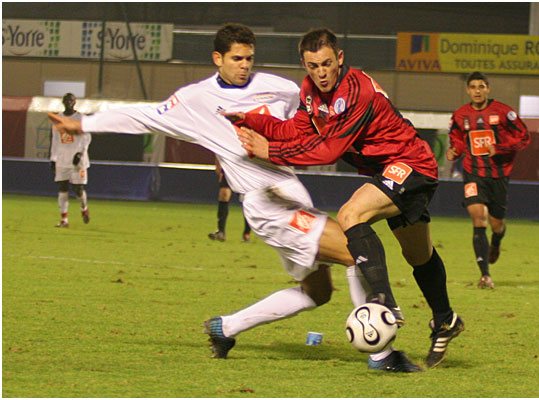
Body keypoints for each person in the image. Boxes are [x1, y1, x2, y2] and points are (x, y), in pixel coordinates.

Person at [48, 23, 421, 373]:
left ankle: (225, 327)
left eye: (249, 58)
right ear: (218, 58)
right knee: (354, 248)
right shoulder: (195, 100)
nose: (244, 65)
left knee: (317, 292)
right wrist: (84, 123)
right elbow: (143, 116)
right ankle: (381, 354)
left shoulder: (280, 88)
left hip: (292, 197)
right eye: (236, 58)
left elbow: (312, 119)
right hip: (268, 206)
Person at [230, 27, 464, 369]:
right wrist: (253, 121)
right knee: (418, 255)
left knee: (350, 214)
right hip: (388, 171)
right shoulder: (310, 91)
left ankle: (383, 303)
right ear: (305, 65)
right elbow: (296, 130)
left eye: (327, 64)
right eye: (313, 66)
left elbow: (329, 150)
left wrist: (272, 152)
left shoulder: (358, 91)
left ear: (339, 58)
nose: (321, 73)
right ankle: (445, 319)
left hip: (411, 164)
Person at [446, 71, 531, 289]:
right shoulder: (460, 115)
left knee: (497, 225)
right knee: (478, 217)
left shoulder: (504, 112)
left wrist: (500, 148)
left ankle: (496, 242)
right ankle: (485, 275)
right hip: (473, 173)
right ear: (468, 90)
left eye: (481, 87)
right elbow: (457, 138)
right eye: (473, 87)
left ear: (488, 89)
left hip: (498, 175)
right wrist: (455, 150)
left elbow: (524, 137)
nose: (477, 91)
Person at [49, 93, 91, 227]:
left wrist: (80, 153)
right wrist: (53, 158)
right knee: (62, 187)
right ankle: (64, 220)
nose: (69, 102)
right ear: (63, 102)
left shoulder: (80, 118)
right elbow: (55, 139)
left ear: (74, 102)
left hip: (78, 161)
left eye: (71, 100)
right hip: (62, 159)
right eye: (66, 100)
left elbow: (87, 137)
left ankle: (84, 208)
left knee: (78, 189)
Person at [208, 158, 252, 242]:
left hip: (244, 171)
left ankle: (246, 233)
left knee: (246, 201)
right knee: (224, 194)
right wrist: (218, 166)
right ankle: (221, 231)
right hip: (228, 169)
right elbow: (218, 152)